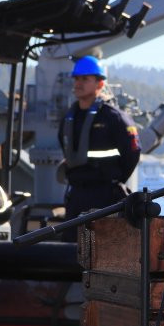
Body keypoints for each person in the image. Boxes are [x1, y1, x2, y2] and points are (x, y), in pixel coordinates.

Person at [57, 55, 141, 240]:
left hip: (105, 196)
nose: (78, 83)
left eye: (85, 79)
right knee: (71, 246)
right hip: (77, 195)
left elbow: (132, 153)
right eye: (77, 79)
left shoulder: (114, 118)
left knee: (104, 247)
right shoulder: (69, 118)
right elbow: (65, 147)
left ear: (99, 84)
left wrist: (112, 180)